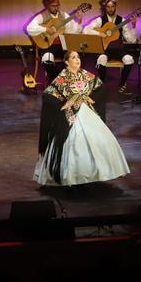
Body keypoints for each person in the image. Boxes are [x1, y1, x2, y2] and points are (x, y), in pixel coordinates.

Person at [35, 50, 130, 186]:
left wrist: (89, 98)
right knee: (74, 141)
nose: (77, 60)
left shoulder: (85, 74)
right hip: (71, 114)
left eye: (78, 57)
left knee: (97, 138)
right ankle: (73, 177)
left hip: (86, 110)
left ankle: (94, 174)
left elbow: (100, 86)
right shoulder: (63, 77)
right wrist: (64, 103)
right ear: (67, 62)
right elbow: (49, 94)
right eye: (73, 58)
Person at [82, 0, 138, 94]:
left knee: (129, 59)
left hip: (118, 49)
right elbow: (86, 30)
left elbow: (132, 40)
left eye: (112, 6)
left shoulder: (122, 20)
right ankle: (102, 84)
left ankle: (122, 85)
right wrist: (100, 34)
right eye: (108, 7)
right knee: (101, 59)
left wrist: (133, 26)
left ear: (115, 7)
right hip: (105, 49)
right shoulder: (100, 20)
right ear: (105, 8)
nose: (110, 9)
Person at [26, 0, 83, 83]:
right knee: (47, 59)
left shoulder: (64, 16)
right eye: (53, 6)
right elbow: (29, 28)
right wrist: (45, 29)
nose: (55, 8)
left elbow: (73, 31)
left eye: (57, 5)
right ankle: (55, 80)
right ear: (48, 5)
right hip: (47, 45)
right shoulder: (42, 16)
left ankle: (64, 80)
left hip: (62, 45)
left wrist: (79, 20)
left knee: (74, 57)